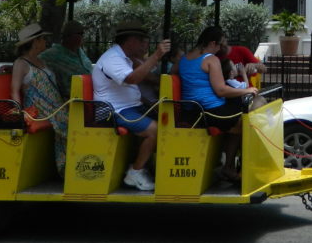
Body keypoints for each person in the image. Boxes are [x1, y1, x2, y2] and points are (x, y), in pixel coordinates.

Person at [92, 20, 171, 191]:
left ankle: (147, 165)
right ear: (130, 41)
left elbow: (140, 83)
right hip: (112, 111)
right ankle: (135, 171)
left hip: (131, 107)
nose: (145, 44)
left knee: (170, 122)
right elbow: (133, 79)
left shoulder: (126, 58)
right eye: (142, 40)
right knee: (155, 130)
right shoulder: (112, 58)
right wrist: (156, 55)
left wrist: (154, 102)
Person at [178, 26, 258, 184]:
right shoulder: (210, 59)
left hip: (192, 109)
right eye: (220, 45)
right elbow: (221, 90)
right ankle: (230, 166)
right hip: (209, 110)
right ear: (213, 43)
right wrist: (247, 90)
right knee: (246, 122)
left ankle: (227, 163)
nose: (222, 49)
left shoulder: (185, 58)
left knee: (240, 112)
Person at [10, 23, 68, 176]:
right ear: (35, 42)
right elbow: (14, 90)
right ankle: (65, 168)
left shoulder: (41, 61)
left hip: (55, 106)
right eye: (43, 39)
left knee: (75, 118)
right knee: (68, 123)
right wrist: (19, 112)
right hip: (40, 108)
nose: (45, 42)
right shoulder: (21, 63)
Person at [40, 19, 93, 96]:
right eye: (80, 33)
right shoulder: (54, 54)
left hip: (89, 94)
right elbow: (36, 61)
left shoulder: (80, 51)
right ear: (69, 35)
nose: (82, 36)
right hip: (70, 99)